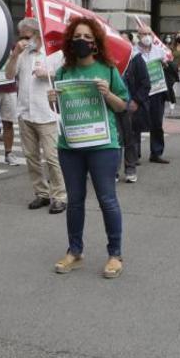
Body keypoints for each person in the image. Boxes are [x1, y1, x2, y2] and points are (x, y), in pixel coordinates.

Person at [49, 16, 130, 279]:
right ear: (70, 41)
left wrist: (108, 94)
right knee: (75, 201)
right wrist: (53, 100)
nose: (81, 41)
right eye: (77, 37)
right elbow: (62, 110)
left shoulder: (107, 69)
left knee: (107, 200)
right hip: (70, 145)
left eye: (87, 37)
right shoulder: (63, 72)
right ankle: (75, 251)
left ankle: (115, 255)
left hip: (103, 145)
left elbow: (123, 105)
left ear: (95, 43)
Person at [5, 18, 66, 213]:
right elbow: (8, 75)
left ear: (38, 35)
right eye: (20, 37)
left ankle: (60, 195)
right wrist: (15, 54)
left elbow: (67, 74)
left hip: (46, 112)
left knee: (51, 157)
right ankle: (41, 193)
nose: (23, 40)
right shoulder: (22, 54)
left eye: (27, 36)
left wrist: (49, 73)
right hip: (25, 112)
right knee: (31, 157)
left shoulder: (54, 53)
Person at [117, 33, 153, 183]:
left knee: (129, 138)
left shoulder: (137, 60)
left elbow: (146, 83)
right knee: (115, 139)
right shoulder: (112, 59)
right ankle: (113, 171)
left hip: (130, 104)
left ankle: (130, 168)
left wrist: (136, 101)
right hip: (114, 103)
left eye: (126, 41)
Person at [136, 21, 171, 164]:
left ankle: (156, 152)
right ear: (138, 36)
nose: (146, 36)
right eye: (143, 34)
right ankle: (135, 154)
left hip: (157, 91)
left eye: (149, 34)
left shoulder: (159, 50)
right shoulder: (133, 51)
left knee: (157, 122)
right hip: (140, 92)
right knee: (136, 124)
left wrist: (165, 64)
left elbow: (167, 66)